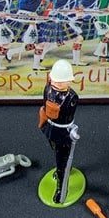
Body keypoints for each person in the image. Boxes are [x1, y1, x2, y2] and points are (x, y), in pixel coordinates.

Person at [38, 59, 80, 204]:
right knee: (55, 149)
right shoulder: (47, 89)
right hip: (49, 127)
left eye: (62, 81)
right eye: (56, 80)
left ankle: (61, 189)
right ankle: (63, 168)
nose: (59, 83)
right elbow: (45, 106)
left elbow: (64, 115)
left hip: (63, 131)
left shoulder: (71, 97)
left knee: (61, 160)